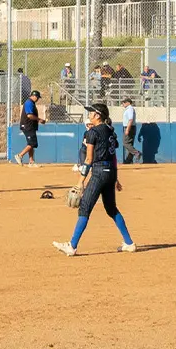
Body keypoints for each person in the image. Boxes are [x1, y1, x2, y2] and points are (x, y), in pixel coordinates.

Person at [53, 103, 136, 256]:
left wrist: (80, 182)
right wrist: (115, 177)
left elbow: (89, 159)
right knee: (111, 208)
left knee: (84, 207)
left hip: (99, 173)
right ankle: (129, 243)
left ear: (97, 115)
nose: (89, 114)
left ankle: (72, 246)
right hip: (110, 172)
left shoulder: (93, 132)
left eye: (91, 112)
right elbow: (113, 156)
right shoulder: (110, 131)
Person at [15, 89, 41, 167]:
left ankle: (31, 161)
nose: (38, 99)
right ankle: (19, 155)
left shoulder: (31, 103)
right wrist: (39, 119)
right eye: (37, 97)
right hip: (27, 126)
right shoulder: (29, 103)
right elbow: (29, 115)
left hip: (30, 126)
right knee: (32, 143)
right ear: (33, 96)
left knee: (31, 144)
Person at [120, 96, 137, 164]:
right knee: (129, 143)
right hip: (130, 127)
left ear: (128, 102)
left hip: (129, 127)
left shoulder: (130, 109)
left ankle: (136, 153)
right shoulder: (129, 109)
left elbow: (130, 119)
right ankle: (129, 160)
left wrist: (127, 129)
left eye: (124, 102)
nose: (123, 104)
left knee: (125, 143)